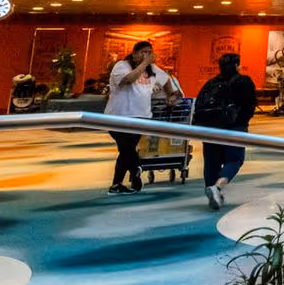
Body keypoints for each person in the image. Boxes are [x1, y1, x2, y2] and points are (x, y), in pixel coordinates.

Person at [103, 41, 179, 195]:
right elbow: (127, 80)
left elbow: (166, 80)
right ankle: (136, 168)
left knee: (126, 150)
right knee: (127, 148)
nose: (146, 55)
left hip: (142, 116)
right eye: (143, 52)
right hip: (118, 116)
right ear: (134, 53)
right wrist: (145, 63)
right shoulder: (122, 66)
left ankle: (117, 184)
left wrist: (170, 94)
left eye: (149, 52)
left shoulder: (153, 69)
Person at [193, 51, 258, 210]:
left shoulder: (211, 83)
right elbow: (250, 104)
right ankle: (217, 187)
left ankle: (211, 191)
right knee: (234, 160)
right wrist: (243, 120)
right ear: (237, 65)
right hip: (234, 126)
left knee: (211, 162)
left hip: (210, 127)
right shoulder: (243, 81)